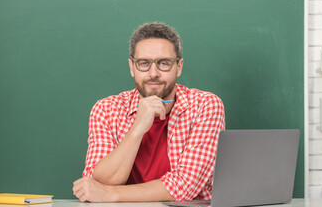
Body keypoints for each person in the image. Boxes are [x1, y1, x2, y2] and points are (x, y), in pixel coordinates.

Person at [72, 22, 225, 202]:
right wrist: (137, 128)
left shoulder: (205, 106)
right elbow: (98, 181)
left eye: (164, 63)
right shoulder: (106, 110)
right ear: (131, 67)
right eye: (143, 63)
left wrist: (113, 194)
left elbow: (185, 186)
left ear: (179, 66)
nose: (153, 73)